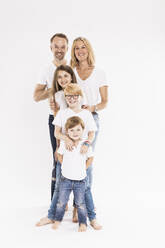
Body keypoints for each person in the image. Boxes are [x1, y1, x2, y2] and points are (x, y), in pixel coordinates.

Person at [36, 84, 102, 230]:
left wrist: (86, 143)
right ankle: (51, 215)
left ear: (80, 97)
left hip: (81, 156)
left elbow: (91, 133)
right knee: (59, 187)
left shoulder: (86, 114)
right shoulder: (62, 113)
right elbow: (57, 132)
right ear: (65, 98)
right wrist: (67, 140)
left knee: (86, 188)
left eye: (75, 96)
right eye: (69, 96)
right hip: (66, 154)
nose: (72, 99)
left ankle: (92, 218)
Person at [70, 36, 109, 207]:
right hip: (72, 122)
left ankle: (83, 203)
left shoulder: (99, 72)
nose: (80, 51)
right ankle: (72, 203)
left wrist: (91, 108)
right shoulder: (71, 71)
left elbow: (105, 101)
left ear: (88, 50)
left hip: (91, 120)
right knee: (71, 159)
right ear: (74, 52)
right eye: (77, 48)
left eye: (83, 47)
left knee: (87, 160)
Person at [33, 33, 68, 199]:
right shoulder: (46, 70)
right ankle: (55, 201)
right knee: (58, 157)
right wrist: (52, 91)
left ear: (67, 48)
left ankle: (78, 202)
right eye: (56, 46)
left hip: (74, 120)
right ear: (51, 48)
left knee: (77, 160)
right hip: (55, 120)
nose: (59, 50)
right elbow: (36, 96)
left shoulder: (72, 68)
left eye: (63, 46)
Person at [52, 116, 94, 232]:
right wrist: (64, 165)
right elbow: (59, 155)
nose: (75, 133)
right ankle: (57, 220)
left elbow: (90, 158)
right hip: (65, 180)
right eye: (71, 130)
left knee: (80, 203)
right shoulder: (65, 144)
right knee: (61, 202)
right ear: (67, 131)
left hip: (80, 180)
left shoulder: (85, 145)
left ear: (83, 130)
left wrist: (83, 168)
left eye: (78, 130)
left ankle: (82, 223)